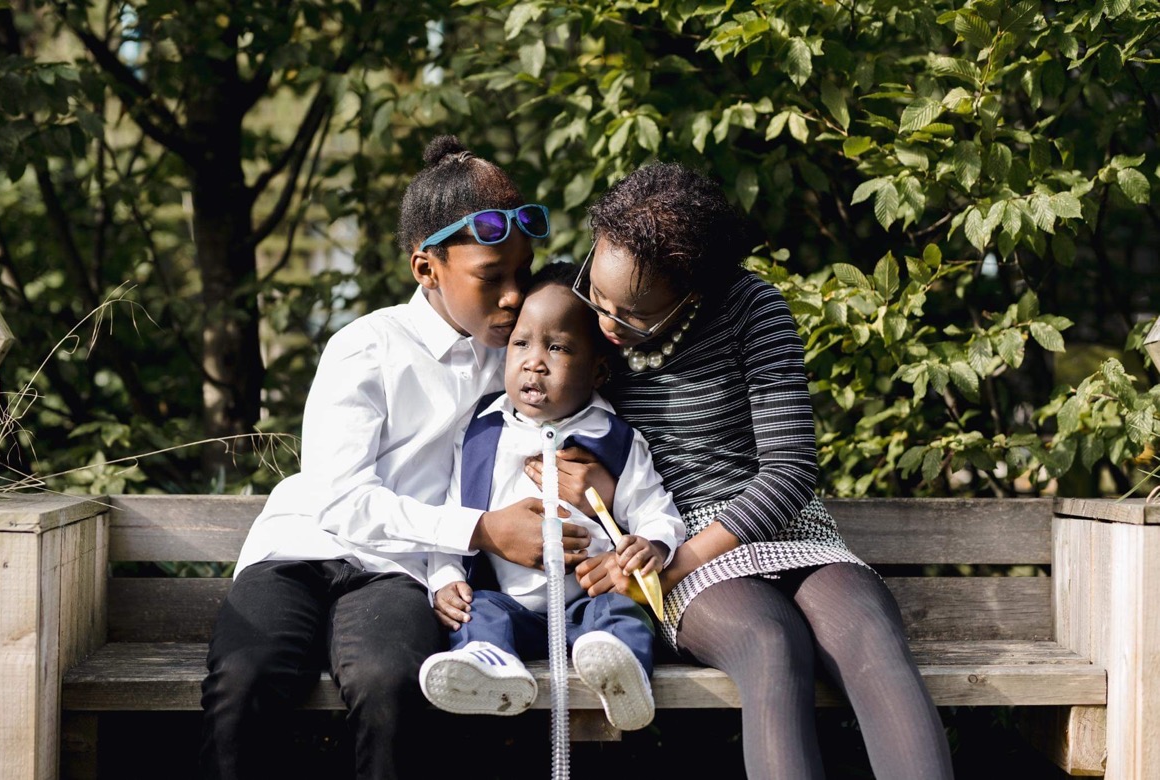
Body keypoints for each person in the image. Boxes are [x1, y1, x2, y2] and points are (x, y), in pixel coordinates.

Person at [528, 162, 954, 779]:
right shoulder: (584, 315)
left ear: (692, 294)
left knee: (869, 634)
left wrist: (679, 563)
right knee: (769, 643)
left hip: (782, 529)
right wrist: (604, 491)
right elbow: (529, 401)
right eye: (597, 295)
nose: (604, 323)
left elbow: (789, 472)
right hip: (668, 532)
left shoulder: (752, 308)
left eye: (630, 316)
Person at [198, 135, 592, 780]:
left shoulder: (518, 356)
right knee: (245, 678)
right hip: (302, 549)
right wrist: (484, 530)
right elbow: (340, 499)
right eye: (491, 278)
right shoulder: (367, 347)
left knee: (391, 684)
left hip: (404, 571)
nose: (514, 296)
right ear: (426, 268)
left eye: (522, 274)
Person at [418, 264, 685, 731]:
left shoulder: (614, 438)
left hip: (587, 604)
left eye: (557, 347)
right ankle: (489, 665)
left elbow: (657, 512)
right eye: (521, 343)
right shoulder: (481, 432)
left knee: (619, 611)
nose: (533, 361)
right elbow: (453, 514)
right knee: (477, 610)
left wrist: (653, 545)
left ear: (599, 370)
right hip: (510, 605)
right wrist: (442, 576)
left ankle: (620, 670)